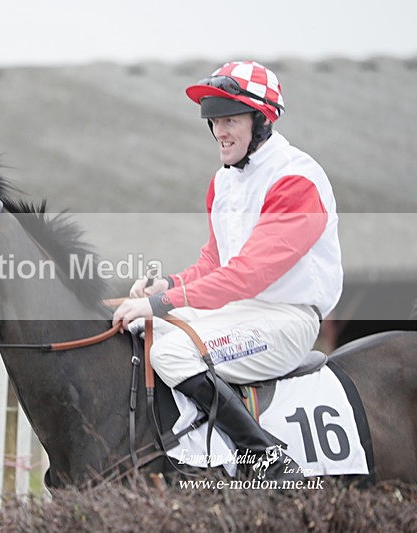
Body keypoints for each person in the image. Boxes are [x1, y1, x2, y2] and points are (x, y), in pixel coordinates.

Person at [112, 60, 343, 480]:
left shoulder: (297, 179)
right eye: (214, 119)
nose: (220, 130)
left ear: (261, 121)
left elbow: (246, 275)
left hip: (286, 320)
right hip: (240, 314)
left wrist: (162, 302)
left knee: (171, 351)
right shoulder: (222, 182)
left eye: (231, 118)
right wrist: (167, 284)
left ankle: (266, 458)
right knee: (144, 331)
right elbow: (214, 264)